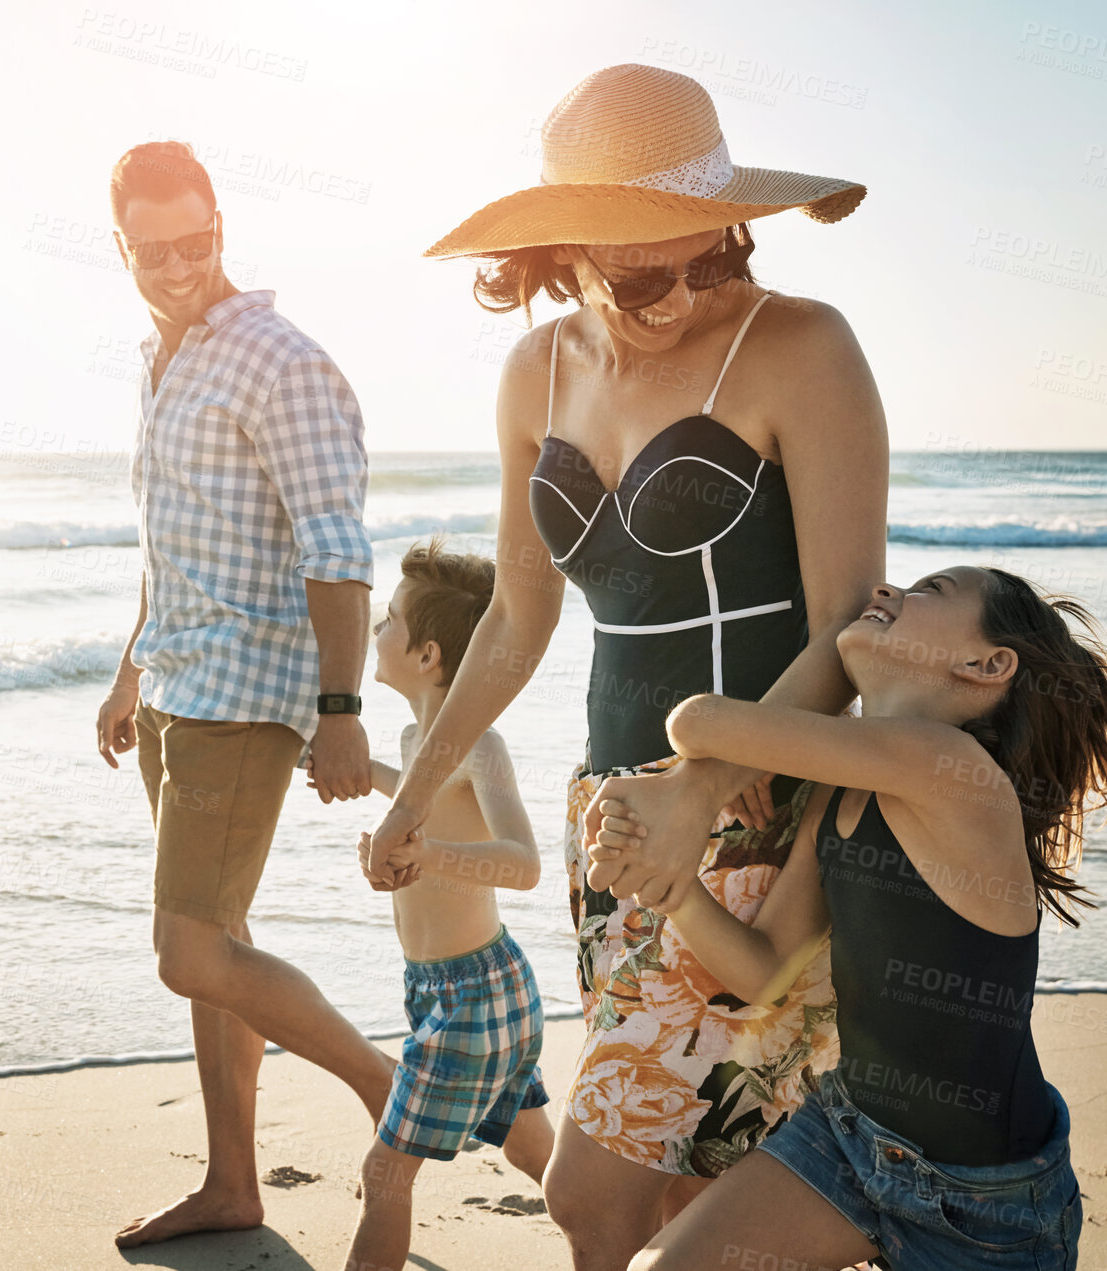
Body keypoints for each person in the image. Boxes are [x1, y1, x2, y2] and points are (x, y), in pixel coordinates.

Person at [368, 63, 887, 1270]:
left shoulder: (798, 346)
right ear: (570, 246)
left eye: (713, 255)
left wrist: (705, 787)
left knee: (586, 1188)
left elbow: (850, 619)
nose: (694, 287)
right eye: (650, 266)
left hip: (764, 821)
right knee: (674, 1189)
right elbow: (516, 616)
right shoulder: (533, 374)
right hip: (613, 825)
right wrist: (411, 789)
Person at [592, 566, 1107, 1270]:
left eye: (932, 591)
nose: (886, 590)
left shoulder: (958, 771)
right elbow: (766, 967)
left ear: (987, 664)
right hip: (849, 1134)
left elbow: (695, 721)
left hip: (984, 1200)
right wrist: (673, 888)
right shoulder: (843, 785)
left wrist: (694, 784)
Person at [93, 140, 395, 1249]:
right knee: (216, 942)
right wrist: (130, 670)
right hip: (176, 678)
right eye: (155, 248)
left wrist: (342, 706)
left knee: (189, 947)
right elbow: (167, 536)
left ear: (223, 223)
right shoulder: (161, 355)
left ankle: (388, 1088)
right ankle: (233, 1184)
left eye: (199, 241)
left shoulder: (281, 361)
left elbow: (337, 547)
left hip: (244, 686)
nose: (180, 266)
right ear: (120, 243)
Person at [318, 538, 553, 1271]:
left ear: (426, 654)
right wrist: (373, 777)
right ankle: (652, 1239)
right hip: (453, 988)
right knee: (535, 1152)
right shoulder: (417, 736)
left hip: (473, 995)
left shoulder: (480, 743)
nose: (376, 632)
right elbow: (429, 797)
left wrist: (430, 856)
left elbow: (525, 862)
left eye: (387, 620)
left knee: (384, 1173)